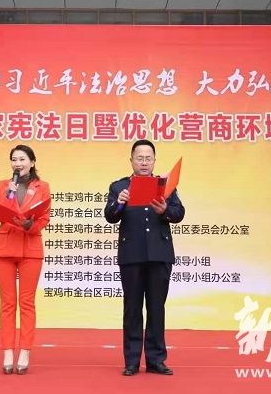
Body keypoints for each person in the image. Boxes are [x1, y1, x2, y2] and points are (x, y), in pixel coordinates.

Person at [104, 139, 185, 377]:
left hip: (160, 254)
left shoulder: (166, 186)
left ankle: (156, 360)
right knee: (132, 309)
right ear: (131, 161)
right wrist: (119, 204)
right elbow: (110, 216)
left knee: (156, 308)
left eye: (148, 158)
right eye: (139, 158)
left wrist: (165, 210)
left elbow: (179, 213)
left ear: (154, 161)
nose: (144, 162)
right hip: (131, 254)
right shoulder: (119, 187)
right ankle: (131, 361)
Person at [0, 144, 51, 375]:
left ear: (32, 162)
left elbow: (44, 218)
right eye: (14, 159)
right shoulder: (3, 185)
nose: (18, 163)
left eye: (22, 159)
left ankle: (25, 350)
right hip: (4, 248)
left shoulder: (42, 187)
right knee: (7, 303)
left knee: (26, 302)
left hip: (30, 249)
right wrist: (8, 196)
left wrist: (29, 224)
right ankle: (7, 351)